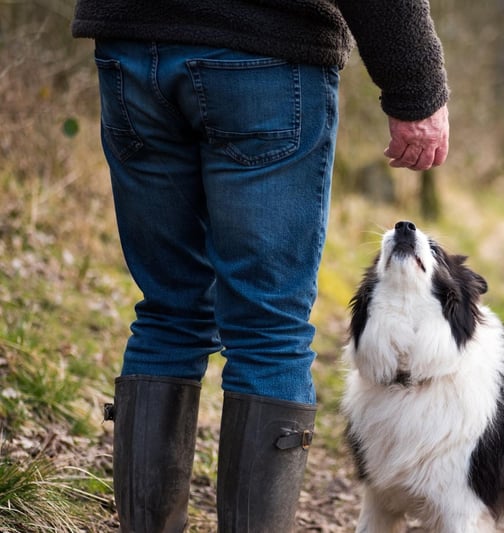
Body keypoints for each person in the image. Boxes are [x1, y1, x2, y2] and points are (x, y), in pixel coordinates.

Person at [71, 2, 449, 531]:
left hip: (131, 46)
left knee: (167, 310)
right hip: (263, 52)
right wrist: (417, 90)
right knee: (267, 325)